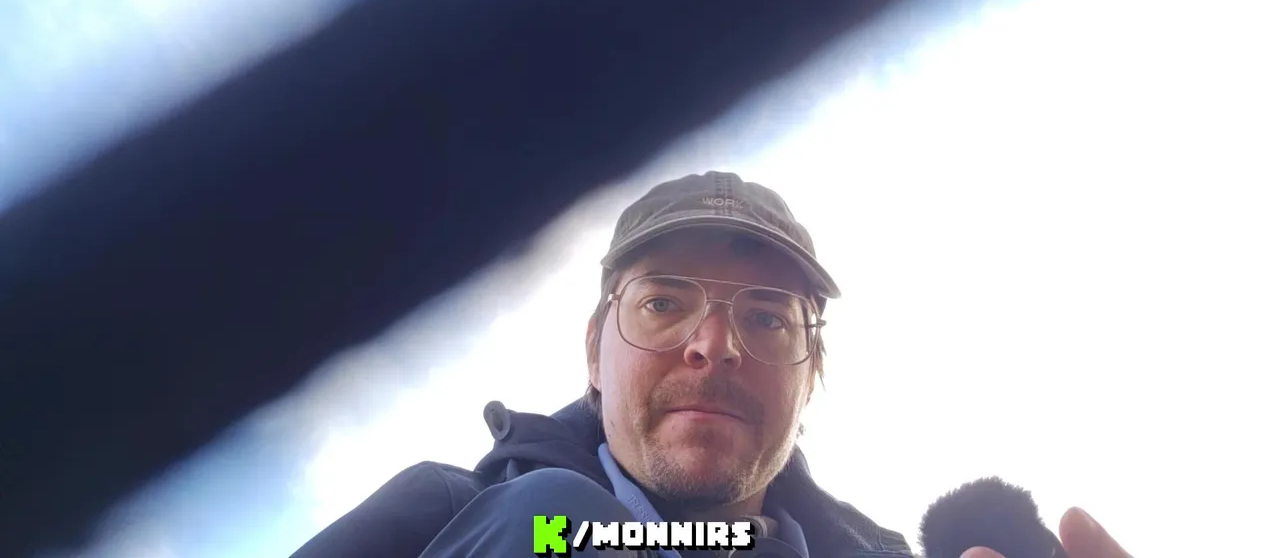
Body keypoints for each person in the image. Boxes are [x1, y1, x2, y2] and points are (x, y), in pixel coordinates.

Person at [290, 171, 1135, 558]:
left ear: (811, 376)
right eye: (664, 304)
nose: (715, 343)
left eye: (766, 318)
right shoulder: (450, 517)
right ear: (594, 352)